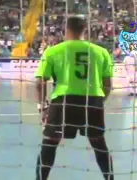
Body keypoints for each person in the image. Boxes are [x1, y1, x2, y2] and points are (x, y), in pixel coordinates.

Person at [34, 16, 114, 180]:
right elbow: (107, 85)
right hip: (92, 102)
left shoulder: (53, 50)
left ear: (66, 29)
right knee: (99, 144)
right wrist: (99, 102)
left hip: (64, 101)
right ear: (85, 29)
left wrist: (43, 106)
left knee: (50, 142)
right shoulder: (102, 52)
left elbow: (40, 81)